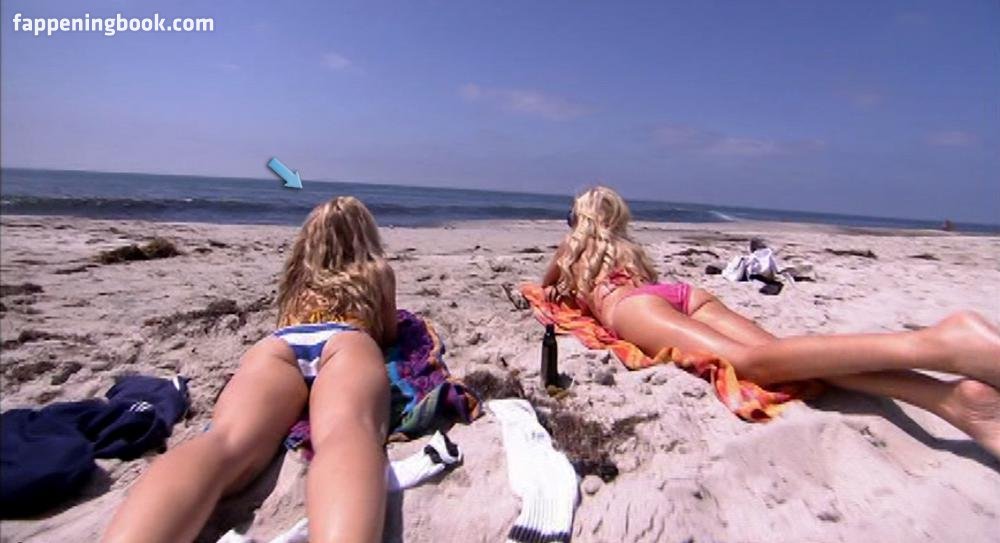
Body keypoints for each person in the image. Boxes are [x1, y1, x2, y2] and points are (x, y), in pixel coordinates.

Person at [541, 186, 1000, 457]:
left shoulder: (572, 247)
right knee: (783, 357)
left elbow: (547, 288)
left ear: (577, 219)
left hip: (633, 308)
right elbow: (649, 285)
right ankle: (948, 400)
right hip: (682, 295)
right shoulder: (629, 249)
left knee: (752, 364)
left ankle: (942, 344)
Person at [103, 197, 396, 543]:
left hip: (279, 346)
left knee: (225, 440)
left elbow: (284, 321)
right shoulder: (376, 272)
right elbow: (388, 332)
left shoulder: (297, 278)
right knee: (346, 430)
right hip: (344, 341)